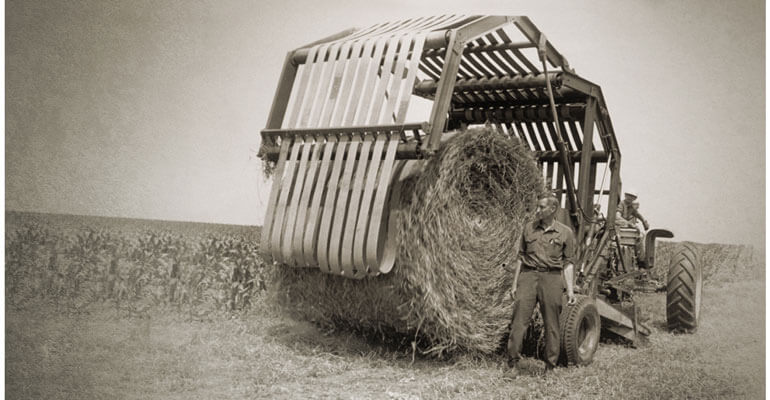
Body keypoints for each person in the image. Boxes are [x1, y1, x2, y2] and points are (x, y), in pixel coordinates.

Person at [505, 195, 576, 378]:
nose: (537, 211)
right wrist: (515, 284)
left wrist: (570, 290)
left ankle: (550, 367)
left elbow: (568, 263)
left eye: (541, 207)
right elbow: (520, 258)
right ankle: (512, 364)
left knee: (552, 324)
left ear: (552, 209)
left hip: (552, 279)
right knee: (518, 322)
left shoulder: (565, 232)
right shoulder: (528, 228)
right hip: (528, 277)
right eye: (537, 207)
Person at [616, 190, 649, 265]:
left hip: (624, 227)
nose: (630, 198)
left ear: (634, 198)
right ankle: (640, 261)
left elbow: (637, 214)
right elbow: (617, 217)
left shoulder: (631, 206)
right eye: (628, 196)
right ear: (625, 196)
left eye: (632, 197)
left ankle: (640, 261)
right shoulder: (622, 204)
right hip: (618, 226)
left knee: (640, 236)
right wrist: (629, 224)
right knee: (638, 235)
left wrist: (644, 221)